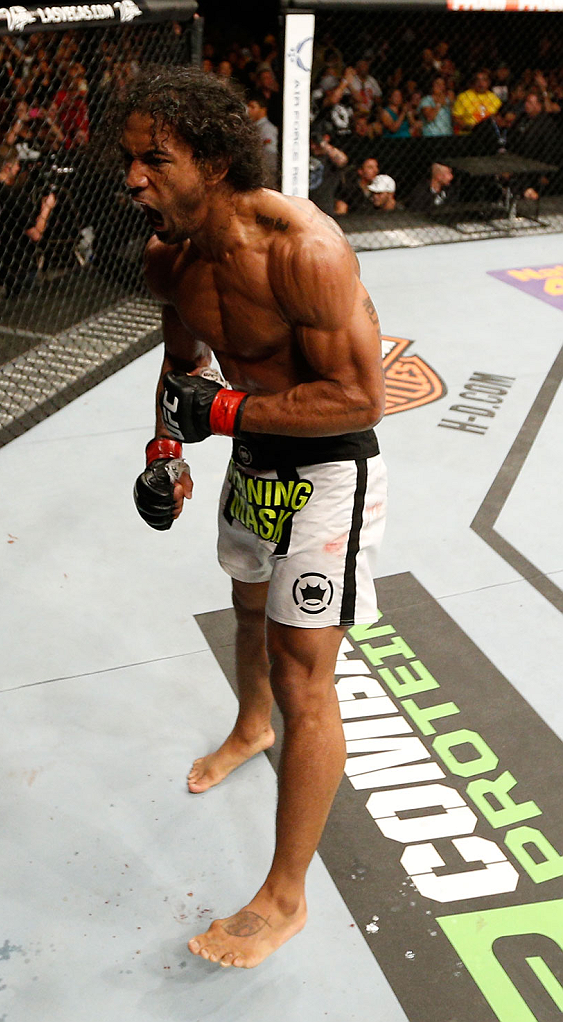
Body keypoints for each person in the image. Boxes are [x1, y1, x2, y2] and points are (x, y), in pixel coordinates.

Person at [122, 67, 386, 969]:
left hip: (328, 466)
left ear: (215, 160)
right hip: (252, 457)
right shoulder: (170, 260)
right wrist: (164, 455)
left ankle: (286, 896)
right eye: (130, 160)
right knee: (243, 609)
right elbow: (183, 368)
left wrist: (222, 415)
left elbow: (359, 398)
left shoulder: (304, 251)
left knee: (304, 672)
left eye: (154, 159)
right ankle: (249, 726)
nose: (133, 179)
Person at [0, 148, 56, 295]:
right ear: (7, 167)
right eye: (16, 165)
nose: (18, 168)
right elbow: (35, 234)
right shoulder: (11, 195)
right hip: (20, 264)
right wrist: (46, 208)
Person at [452, 69, 501, 135]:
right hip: (468, 134)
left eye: (484, 80)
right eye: (478, 80)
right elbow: (456, 118)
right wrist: (469, 127)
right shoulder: (463, 96)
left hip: (489, 134)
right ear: (474, 82)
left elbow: (498, 117)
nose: (480, 83)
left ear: (489, 82)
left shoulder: (494, 98)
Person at [246, 91, 279, 189]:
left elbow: (270, 155)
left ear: (262, 110)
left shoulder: (267, 129)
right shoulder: (254, 127)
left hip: (266, 177)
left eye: (252, 107)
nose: (249, 110)